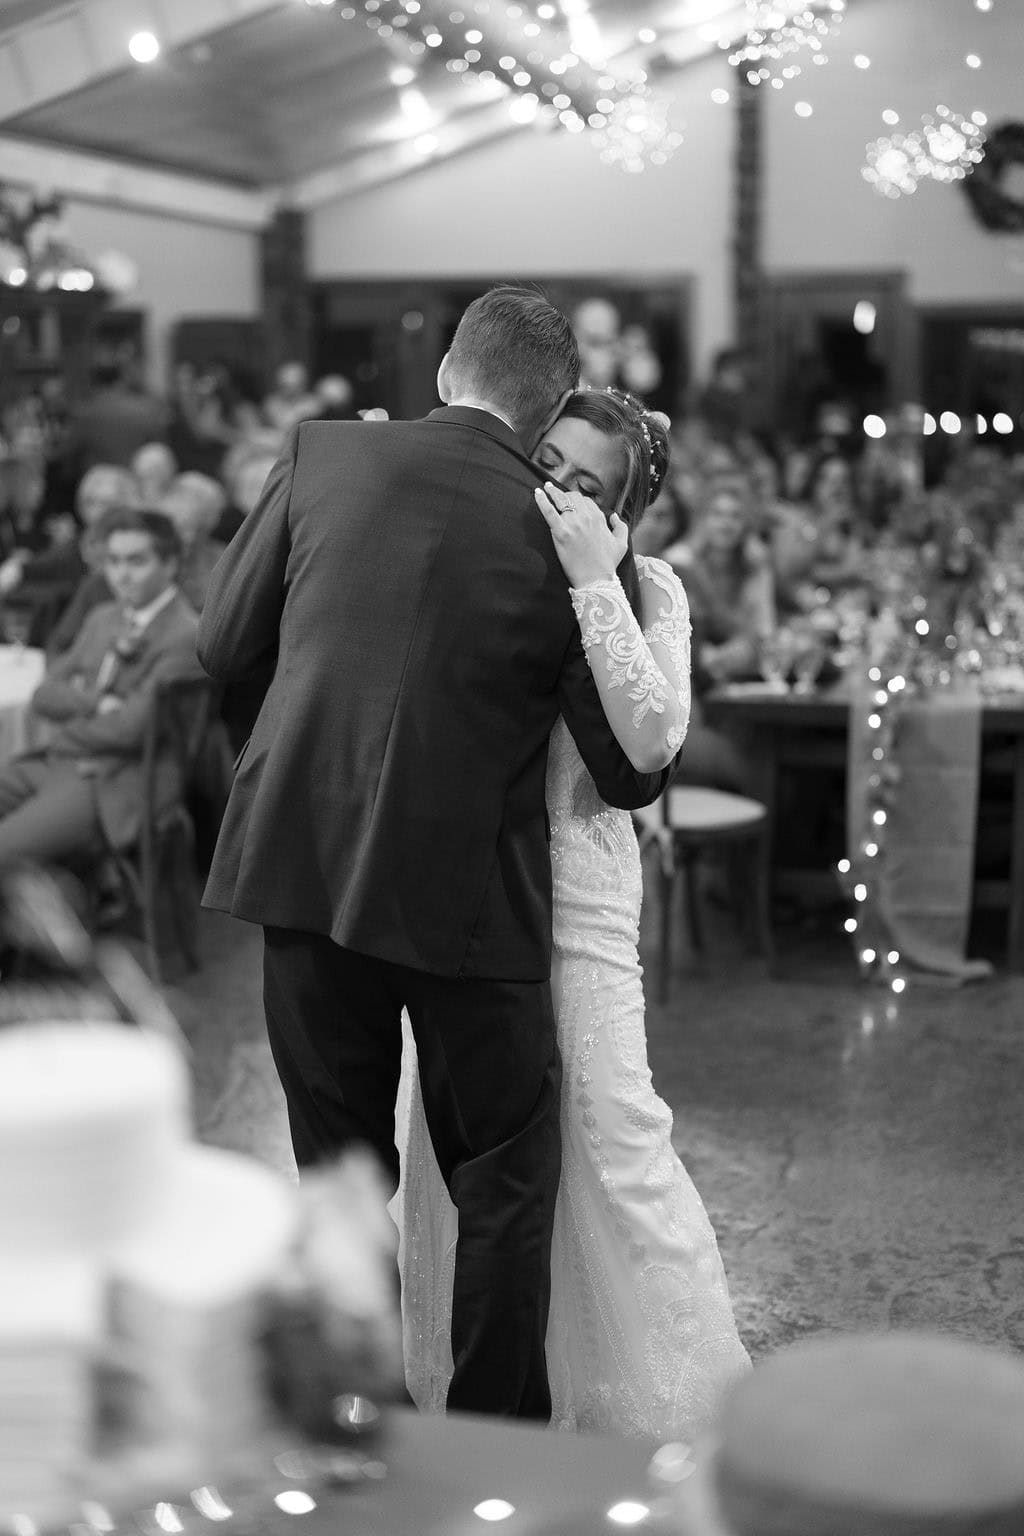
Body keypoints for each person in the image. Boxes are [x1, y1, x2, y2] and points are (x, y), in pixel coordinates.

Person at [197, 287, 675, 1423]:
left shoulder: (322, 456)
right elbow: (626, 772)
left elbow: (221, 647)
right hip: (469, 900)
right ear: (548, 404)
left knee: (337, 1174)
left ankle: (355, 1437)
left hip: (303, 866)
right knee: (504, 1180)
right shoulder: (562, 525)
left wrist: (315, 737)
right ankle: (491, 1453)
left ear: (447, 370)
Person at [396, 390, 750, 1440]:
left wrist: (598, 583)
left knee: (612, 1134)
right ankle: (493, 1389)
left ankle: (668, 1396)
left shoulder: (651, 590)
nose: (552, 492)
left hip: (583, 907)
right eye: (545, 461)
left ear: (624, 513)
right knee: (459, 1150)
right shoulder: (479, 565)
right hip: (468, 904)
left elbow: (648, 739)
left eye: (585, 485)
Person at [0, 509, 202, 866]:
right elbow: (43, 695)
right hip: (59, 762)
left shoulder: (186, 635)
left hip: (119, 781)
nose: (121, 575)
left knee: (5, 851)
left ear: (169, 565)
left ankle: (47, 913)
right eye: (112, 561)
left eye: (136, 561)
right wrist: (94, 701)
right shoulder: (103, 617)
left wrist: (68, 729)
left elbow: (132, 730)